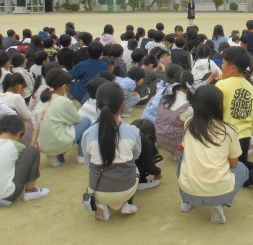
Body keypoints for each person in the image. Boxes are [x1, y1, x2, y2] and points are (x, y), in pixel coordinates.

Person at [177, 85, 249, 224]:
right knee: (242, 169)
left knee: (184, 157)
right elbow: (234, 163)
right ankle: (219, 204)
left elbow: (186, 149)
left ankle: (186, 201)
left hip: (187, 191)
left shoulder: (188, 123)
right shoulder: (228, 130)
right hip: (218, 193)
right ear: (219, 106)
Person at [216, 46, 253, 196]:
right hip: (245, 136)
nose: (221, 66)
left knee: (231, 171)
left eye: (223, 63)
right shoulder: (250, 86)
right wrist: (251, 135)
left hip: (228, 137)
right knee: (239, 163)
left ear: (232, 67)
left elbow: (217, 112)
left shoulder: (221, 85)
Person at [81, 82, 141, 220]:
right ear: (123, 104)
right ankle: (126, 204)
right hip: (126, 189)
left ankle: (102, 204)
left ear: (98, 105)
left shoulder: (88, 134)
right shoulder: (132, 131)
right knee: (134, 167)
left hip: (97, 190)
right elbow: (136, 155)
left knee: (96, 168)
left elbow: (87, 163)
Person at [0, 115, 50, 202]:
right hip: (8, 195)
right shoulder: (17, 146)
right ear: (20, 134)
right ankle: (30, 191)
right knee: (32, 151)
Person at [33, 69, 92, 167]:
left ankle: (55, 155)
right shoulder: (63, 101)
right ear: (64, 87)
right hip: (57, 142)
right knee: (86, 120)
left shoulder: (43, 100)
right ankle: (81, 156)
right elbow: (77, 120)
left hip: (42, 145)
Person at [156, 70, 195, 159]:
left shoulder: (165, 98)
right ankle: (178, 154)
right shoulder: (188, 107)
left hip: (159, 135)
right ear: (190, 85)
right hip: (175, 141)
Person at [131, 119, 162, 191]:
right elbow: (150, 166)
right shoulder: (146, 142)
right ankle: (140, 182)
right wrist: (158, 172)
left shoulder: (127, 137)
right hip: (131, 177)